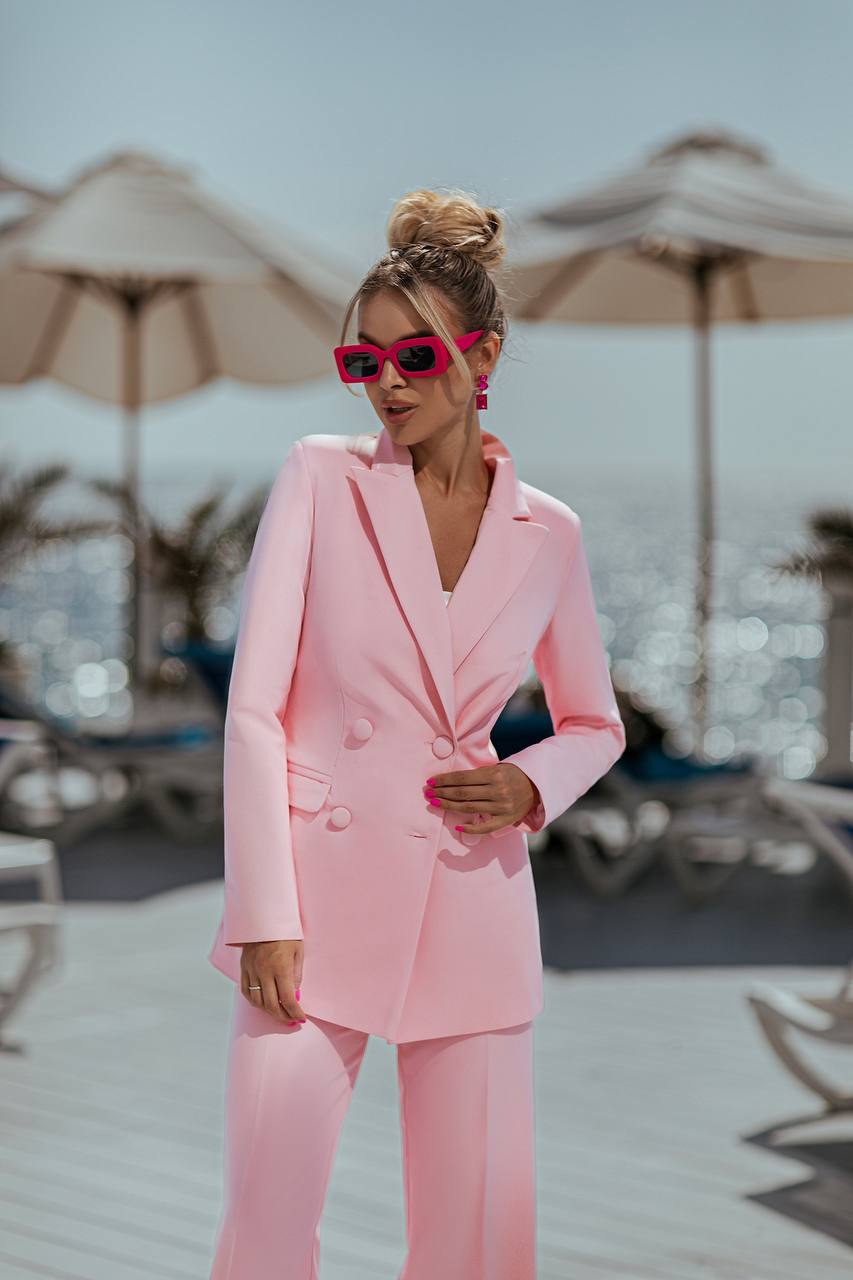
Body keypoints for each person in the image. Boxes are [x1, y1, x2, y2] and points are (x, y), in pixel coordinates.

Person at [207, 187, 626, 1280]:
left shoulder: (551, 534)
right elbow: (253, 705)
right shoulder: (318, 477)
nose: (387, 382)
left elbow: (594, 721)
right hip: (310, 897)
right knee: (263, 1220)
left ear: (478, 358)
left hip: (472, 899)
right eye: (363, 362)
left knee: (477, 1240)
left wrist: (531, 784)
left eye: (416, 359)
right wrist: (264, 913)